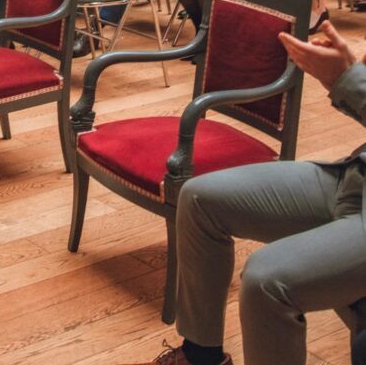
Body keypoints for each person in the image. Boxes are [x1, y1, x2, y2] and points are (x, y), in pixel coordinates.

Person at [127, 19, 366, 365]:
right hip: (356, 176)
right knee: (199, 199)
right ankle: (200, 356)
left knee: (266, 280)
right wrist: (346, 70)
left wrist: (347, 80)